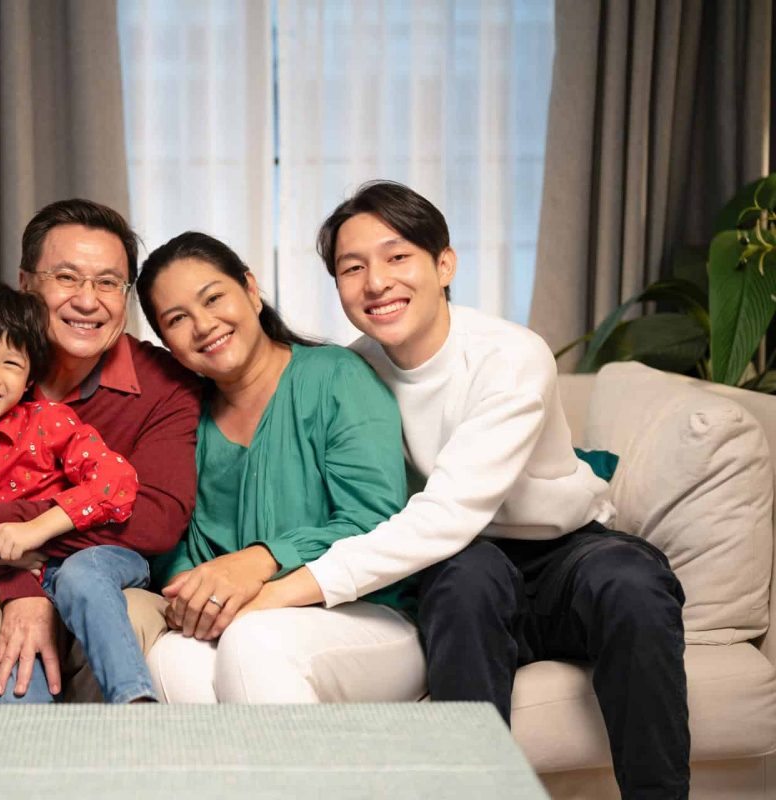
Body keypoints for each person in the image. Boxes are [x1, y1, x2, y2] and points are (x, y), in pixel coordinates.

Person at [245, 180, 689, 798]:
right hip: (461, 562)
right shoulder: (353, 369)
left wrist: (282, 591)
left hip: (566, 551)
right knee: (465, 579)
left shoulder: (510, 355)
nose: (376, 282)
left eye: (397, 256)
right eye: (352, 268)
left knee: (631, 582)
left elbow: (449, 511)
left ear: (444, 264)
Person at [0, 199, 201, 703]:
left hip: (103, 580)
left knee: (129, 609)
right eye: (66, 277)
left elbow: (155, 520)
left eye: (108, 283)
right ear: (26, 283)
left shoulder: (164, 385)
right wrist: (21, 588)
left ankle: (127, 728)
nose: (88, 301)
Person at [136, 231, 425, 703]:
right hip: (239, 620)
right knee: (171, 660)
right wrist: (197, 597)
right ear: (166, 342)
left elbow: (376, 521)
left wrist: (260, 560)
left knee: (256, 642)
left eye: (213, 298)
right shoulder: (184, 417)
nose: (204, 325)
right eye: (177, 319)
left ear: (251, 290)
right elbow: (173, 541)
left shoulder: (336, 376)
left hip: (369, 614)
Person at [0, 280, 156, 703]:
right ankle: (29, 735)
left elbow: (115, 482)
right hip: (12, 579)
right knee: (18, 676)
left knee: (82, 577)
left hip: (92, 558)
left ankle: (136, 702)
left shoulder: (49, 421)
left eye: (10, 363)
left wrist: (34, 530)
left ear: (27, 380)